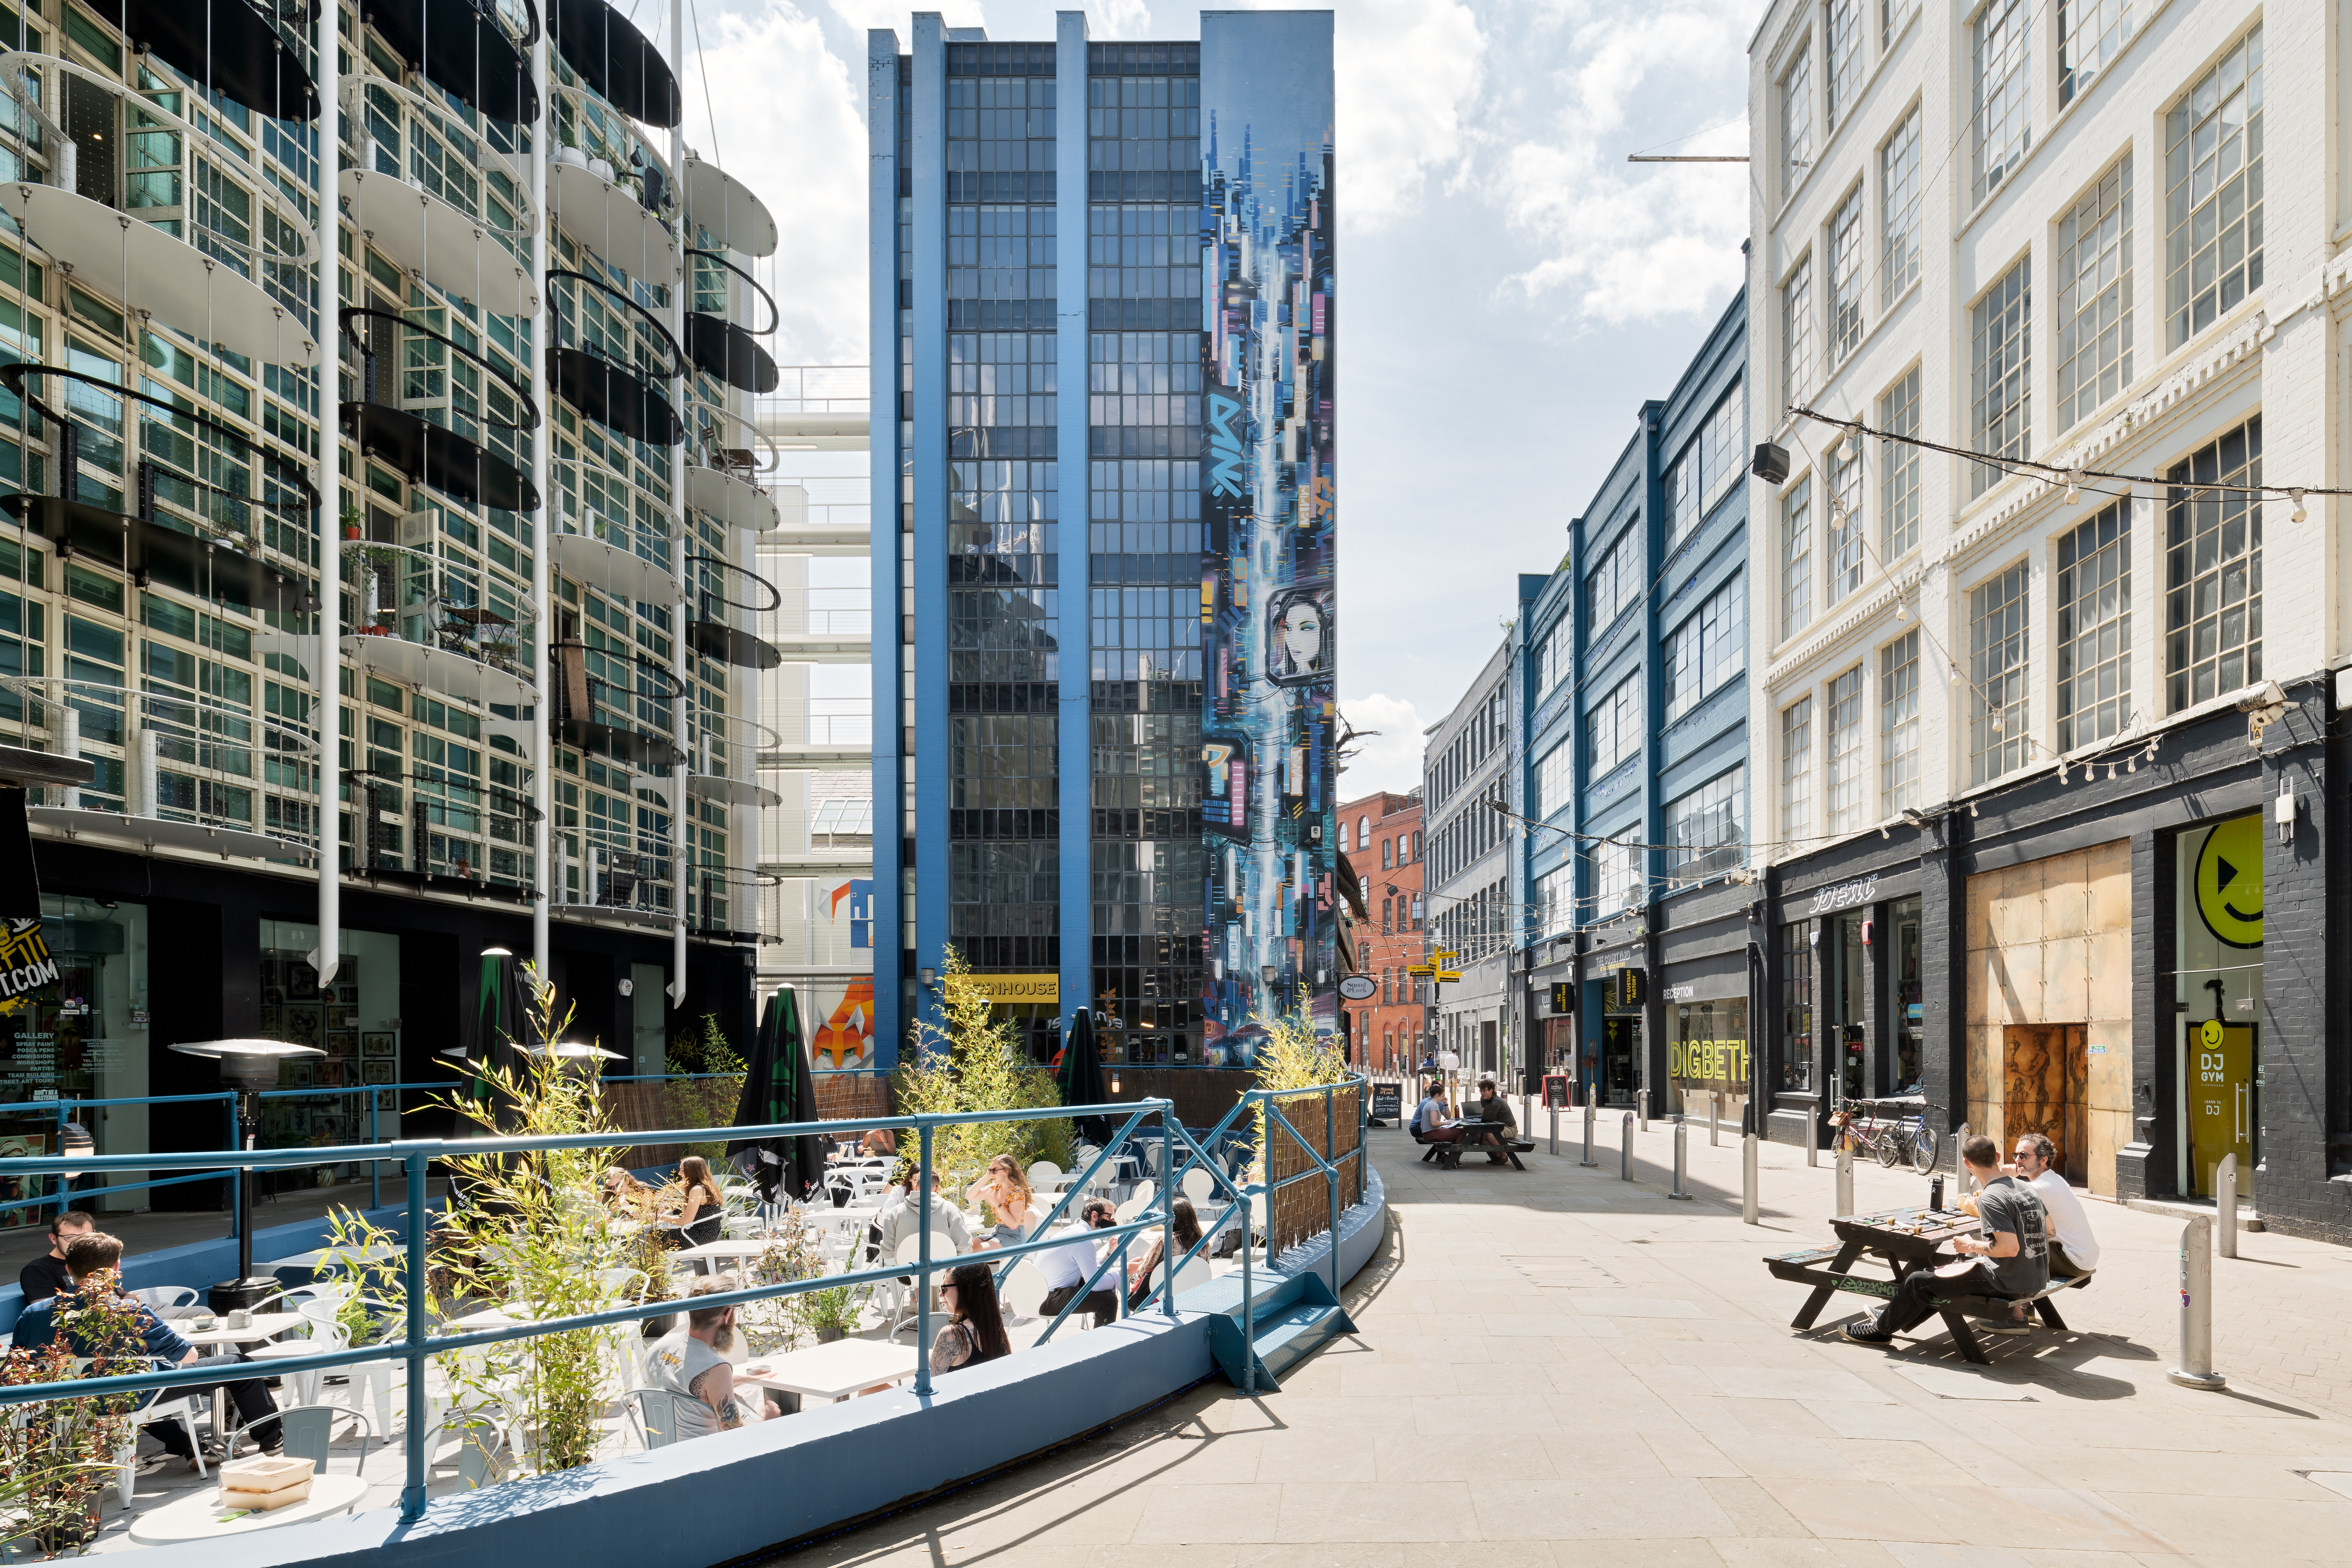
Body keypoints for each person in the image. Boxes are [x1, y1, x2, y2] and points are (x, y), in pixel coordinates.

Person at [15, 1233, 282, 1469]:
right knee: (239, 1364)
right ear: (116, 1268)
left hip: (66, 1401)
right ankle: (272, 1439)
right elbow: (187, 1357)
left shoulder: (33, 1313)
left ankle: (190, 1445)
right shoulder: (128, 1309)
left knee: (135, 1383)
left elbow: (21, 1362)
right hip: (128, 1395)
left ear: (68, 1268)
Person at [1844, 1136, 2048, 1346]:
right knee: (1938, 1276)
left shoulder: (1991, 1196)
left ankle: (1880, 1330)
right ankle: (1891, 1314)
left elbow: (2009, 1248)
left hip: (2009, 1282)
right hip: (2036, 1277)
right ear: (1997, 1157)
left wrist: (1971, 1245)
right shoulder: (2026, 1188)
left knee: (1917, 1281)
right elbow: (2049, 1229)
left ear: (1967, 1163)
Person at [642, 1275, 784, 1438]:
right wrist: (770, 1419)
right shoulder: (716, 1368)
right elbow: (737, 1435)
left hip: (663, 1447)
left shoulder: (659, 1346)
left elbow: (687, 1383)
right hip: (705, 1455)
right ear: (727, 1315)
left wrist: (740, 1378)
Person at [2008, 1132, 2099, 1278]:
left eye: (2024, 1155)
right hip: (2084, 1256)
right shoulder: (2052, 1178)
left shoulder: (2041, 1187)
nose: (2018, 1160)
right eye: (2016, 1155)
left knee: (2010, 1252)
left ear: (2043, 1160)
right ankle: (2025, 1300)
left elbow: (2001, 1207)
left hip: (2072, 1261)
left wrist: (2005, 1179)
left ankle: (2016, 1298)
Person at [1034, 1197, 1119, 1327]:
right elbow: (1096, 1284)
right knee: (1109, 1300)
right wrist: (1124, 1272)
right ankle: (1102, 1344)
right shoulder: (1084, 1240)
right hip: (1048, 1299)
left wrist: (1107, 1255)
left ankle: (1101, 1339)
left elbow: (1090, 1273)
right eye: (1111, 1216)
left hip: (1040, 1294)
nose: (1114, 1221)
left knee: (1105, 1291)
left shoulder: (1075, 1231)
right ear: (1095, 1216)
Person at [930, 1261, 1013, 1376]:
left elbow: (929, 1385)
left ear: (967, 1291)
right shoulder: (995, 1327)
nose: (940, 1295)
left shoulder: (952, 1334)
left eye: (945, 1289)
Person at [1124, 1198, 1205, 1312]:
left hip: (1164, 1295)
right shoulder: (1204, 1243)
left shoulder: (1165, 1241)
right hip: (1192, 1293)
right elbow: (1204, 1270)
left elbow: (1144, 1271)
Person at [20, 1209, 94, 1304]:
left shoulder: (96, 1261)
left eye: (87, 1236)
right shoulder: (38, 1269)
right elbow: (47, 1310)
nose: (80, 1243)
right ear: (54, 1239)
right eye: (71, 1237)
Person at [966, 1155, 1038, 1248]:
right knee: (966, 1247)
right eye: (990, 1170)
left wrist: (998, 1204)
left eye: (995, 1171)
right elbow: (969, 1196)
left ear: (1006, 1171)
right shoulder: (996, 1188)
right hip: (998, 1232)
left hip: (1014, 1237)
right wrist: (987, 1177)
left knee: (975, 1251)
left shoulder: (1016, 1192)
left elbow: (1013, 1225)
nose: (992, 1174)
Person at [665, 1155, 724, 1249]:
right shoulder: (707, 1186)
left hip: (700, 1238)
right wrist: (684, 1194)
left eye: (683, 1171)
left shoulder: (697, 1189)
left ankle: (656, 1264)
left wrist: (661, 1217)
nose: (680, 1173)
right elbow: (686, 1216)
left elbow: (686, 1221)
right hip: (707, 1236)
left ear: (693, 1172)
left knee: (653, 1236)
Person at [1467, 1075, 1518, 1165]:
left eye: (1484, 1091)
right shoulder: (1484, 1099)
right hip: (1497, 1126)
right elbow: (1484, 1117)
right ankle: (1497, 1156)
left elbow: (1489, 1118)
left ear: (1491, 1090)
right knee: (1477, 1136)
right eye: (1481, 1091)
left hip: (1510, 1128)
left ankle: (1504, 1156)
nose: (1482, 1093)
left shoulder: (1497, 1101)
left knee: (1491, 1136)